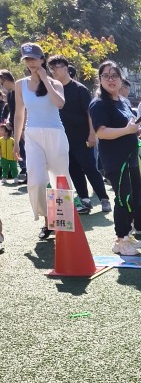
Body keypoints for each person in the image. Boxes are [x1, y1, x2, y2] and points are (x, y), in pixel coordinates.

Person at [13, 42, 70, 241]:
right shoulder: (20, 84)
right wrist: (16, 142)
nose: (31, 62)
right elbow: (19, 114)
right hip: (32, 135)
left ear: (42, 59)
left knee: (59, 179)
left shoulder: (55, 83)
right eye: (27, 59)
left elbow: (60, 104)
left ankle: (61, 222)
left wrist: (45, 79)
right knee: (36, 180)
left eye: (34, 58)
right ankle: (47, 220)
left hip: (55, 134)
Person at [89, 59, 141, 257]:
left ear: (121, 79)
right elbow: (101, 132)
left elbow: (129, 125)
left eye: (114, 76)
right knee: (123, 198)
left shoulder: (123, 101)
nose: (111, 79)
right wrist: (127, 130)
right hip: (115, 160)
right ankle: (121, 240)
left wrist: (138, 131)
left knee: (133, 197)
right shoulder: (98, 103)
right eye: (106, 76)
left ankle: (127, 234)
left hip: (131, 157)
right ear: (100, 79)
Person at [47, 55, 111, 215]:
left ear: (66, 68)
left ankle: (104, 198)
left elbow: (89, 113)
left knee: (89, 167)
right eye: (51, 68)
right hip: (63, 137)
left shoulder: (79, 89)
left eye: (56, 67)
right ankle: (84, 200)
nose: (54, 71)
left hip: (82, 136)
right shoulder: (53, 90)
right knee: (73, 169)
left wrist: (92, 134)